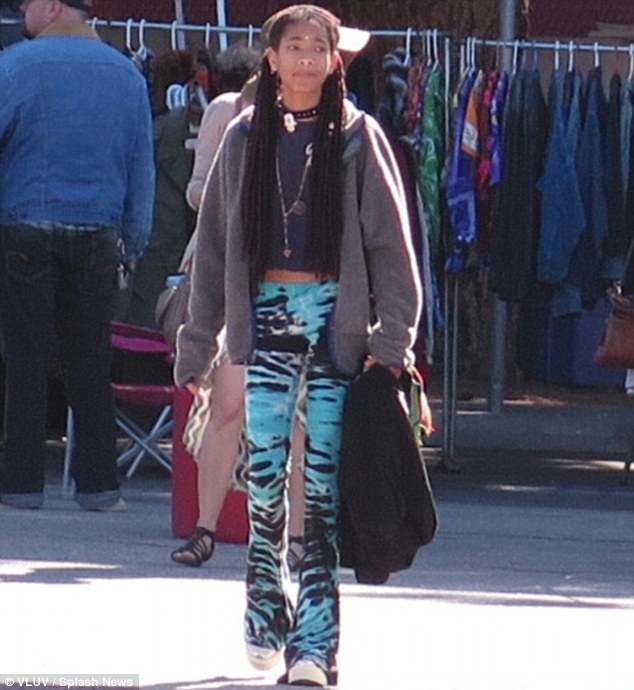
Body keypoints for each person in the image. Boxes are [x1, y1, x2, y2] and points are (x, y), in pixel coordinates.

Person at [175, 5, 420, 687]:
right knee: (263, 485)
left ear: (334, 61)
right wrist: (197, 345)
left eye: (319, 48)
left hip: (335, 324)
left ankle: (314, 649)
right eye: (295, 47)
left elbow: (390, 247)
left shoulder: (358, 136)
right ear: (272, 59)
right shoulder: (243, 136)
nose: (307, 58)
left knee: (320, 492)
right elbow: (214, 251)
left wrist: (392, 339)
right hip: (265, 320)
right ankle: (264, 608)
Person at [0, 0, 154, 511]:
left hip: (24, 223)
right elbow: (141, 166)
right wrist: (134, 241)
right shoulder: (127, 76)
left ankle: (21, 483)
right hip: (98, 230)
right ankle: (99, 485)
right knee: (91, 361)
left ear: (50, 7)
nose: (22, 13)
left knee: (25, 358)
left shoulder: (13, 66)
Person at [171, 41, 307, 570]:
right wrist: (196, 337)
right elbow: (207, 217)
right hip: (243, 288)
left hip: (308, 292)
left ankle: (298, 537)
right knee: (227, 405)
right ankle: (205, 527)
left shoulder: (344, 130)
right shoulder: (236, 123)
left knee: (300, 419)